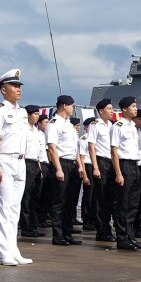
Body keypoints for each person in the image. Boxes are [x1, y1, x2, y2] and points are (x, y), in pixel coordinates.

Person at [0, 69, 32, 266]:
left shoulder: (22, 112)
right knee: (3, 209)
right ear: (3, 90)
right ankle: (3, 253)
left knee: (15, 209)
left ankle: (13, 250)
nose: (18, 89)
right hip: (5, 161)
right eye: (14, 86)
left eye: (19, 86)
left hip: (20, 162)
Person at [46, 95, 82, 246]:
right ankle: (58, 235)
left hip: (72, 164)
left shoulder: (68, 124)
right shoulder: (54, 124)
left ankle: (67, 233)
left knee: (70, 202)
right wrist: (59, 169)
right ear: (65, 106)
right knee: (59, 201)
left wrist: (80, 166)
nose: (73, 109)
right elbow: (52, 147)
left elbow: (75, 149)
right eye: (72, 106)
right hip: (61, 163)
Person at [110, 97, 141, 251]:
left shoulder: (133, 126)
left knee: (133, 205)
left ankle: (131, 237)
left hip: (134, 165)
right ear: (124, 109)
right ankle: (122, 238)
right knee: (122, 204)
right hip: (123, 165)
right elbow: (114, 151)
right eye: (133, 106)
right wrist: (118, 173)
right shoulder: (118, 126)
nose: (136, 108)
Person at [87, 98, 117, 242]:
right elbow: (91, 147)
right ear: (100, 111)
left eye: (112, 108)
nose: (112, 111)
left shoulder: (111, 125)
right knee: (101, 198)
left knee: (110, 198)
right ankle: (102, 231)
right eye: (109, 109)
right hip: (101, 162)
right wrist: (95, 167)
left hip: (111, 163)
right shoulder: (95, 125)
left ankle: (107, 229)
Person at [20, 106, 45, 238]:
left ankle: (33, 226)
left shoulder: (36, 131)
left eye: (38, 114)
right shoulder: (23, 129)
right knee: (26, 197)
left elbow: (38, 152)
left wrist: (39, 168)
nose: (37, 116)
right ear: (28, 115)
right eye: (35, 114)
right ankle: (25, 228)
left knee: (35, 197)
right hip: (26, 163)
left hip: (35, 163)